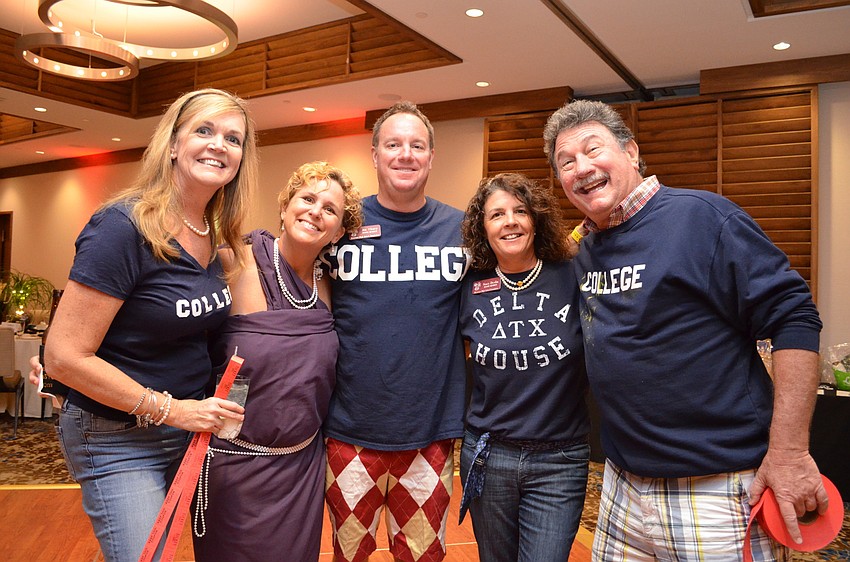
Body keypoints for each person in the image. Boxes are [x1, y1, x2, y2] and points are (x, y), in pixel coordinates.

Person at [542, 99, 826, 561]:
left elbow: (794, 317)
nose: (582, 168)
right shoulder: (587, 247)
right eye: (566, 162)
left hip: (714, 490)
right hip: (620, 487)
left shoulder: (704, 218)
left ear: (632, 152)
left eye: (594, 150)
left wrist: (790, 453)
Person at [38, 88, 259, 562]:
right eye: (204, 130)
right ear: (173, 145)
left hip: (187, 432)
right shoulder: (123, 226)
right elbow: (63, 355)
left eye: (233, 138)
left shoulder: (215, 234)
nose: (219, 144)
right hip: (115, 433)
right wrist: (174, 410)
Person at [320, 101, 469, 562]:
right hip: (347, 433)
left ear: (431, 156)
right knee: (349, 556)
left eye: (416, 145)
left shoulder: (461, 230)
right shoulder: (340, 224)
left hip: (430, 435)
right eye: (393, 144)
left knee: (423, 556)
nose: (405, 154)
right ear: (375, 154)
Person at [191, 161, 362, 561]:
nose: (315, 211)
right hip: (234, 465)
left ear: (338, 232)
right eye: (307, 199)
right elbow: (168, 322)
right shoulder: (232, 262)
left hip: (302, 466)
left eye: (330, 209)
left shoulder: (332, 286)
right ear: (285, 207)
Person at [458, 172, 590, 562]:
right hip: (488, 454)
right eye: (497, 214)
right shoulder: (468, 284)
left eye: (520, 211)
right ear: (483, 227)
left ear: (536, 220)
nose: (510, 221)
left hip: (559, 460)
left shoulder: (572, 274)